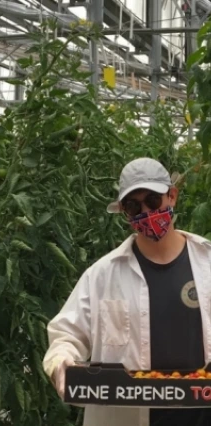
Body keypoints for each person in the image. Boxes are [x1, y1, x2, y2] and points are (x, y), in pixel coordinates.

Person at [43, 158, 211, 426]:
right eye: (134, 206)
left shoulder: (207, 264)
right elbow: (66, 335)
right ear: (125, 212)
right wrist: (62, 364)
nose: (146, 212)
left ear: (172, 196)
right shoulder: (102, 275)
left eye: (153, 201)